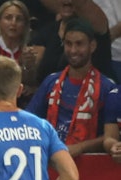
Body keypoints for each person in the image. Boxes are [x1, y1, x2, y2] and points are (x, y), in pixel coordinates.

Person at [25, 17, 116, 156]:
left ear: (92, 46)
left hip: (91, 165)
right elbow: (28, 122)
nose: (73, 50)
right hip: (49, 160)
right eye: (68, 44)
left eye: (79, 44)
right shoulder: (50, 82)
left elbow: (112, 137)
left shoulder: (108, 88)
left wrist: (80, 148)